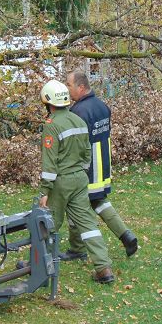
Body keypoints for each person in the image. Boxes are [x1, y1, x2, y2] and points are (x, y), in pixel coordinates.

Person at [38, 80, 115, 284]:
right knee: (88, 224)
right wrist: (81, 169)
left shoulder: (52, 126)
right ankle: (103, 268)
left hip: (60, 182)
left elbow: (49, 162)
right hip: (81, 179)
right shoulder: (78, 120)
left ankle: (39, 264)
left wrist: (44, 190)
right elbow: (87, 151)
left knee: (49, 222)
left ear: (48, 102)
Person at [59, 70, 137, 261]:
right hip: (102, 167)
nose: (67, 90)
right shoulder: (102, 106)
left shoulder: (78, 112)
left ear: (81, 87)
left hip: (86, 168)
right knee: (98, 201)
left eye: (69, 85)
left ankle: (77, 249)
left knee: (75, 203)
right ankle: (126, 236)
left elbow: (76, 144)